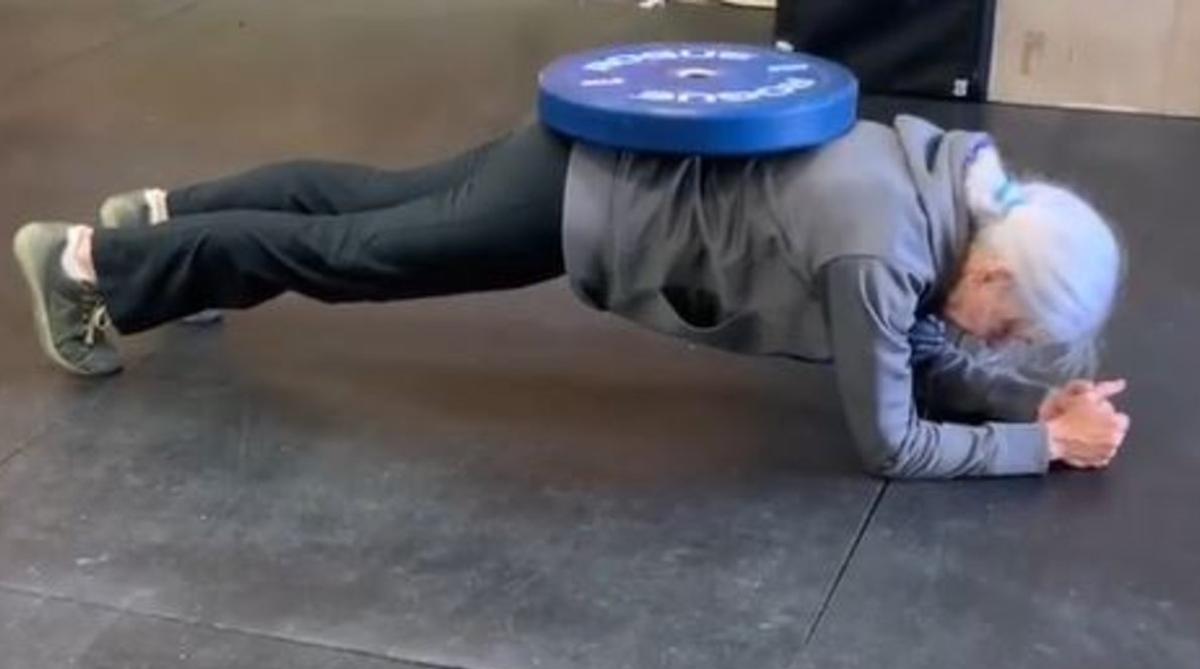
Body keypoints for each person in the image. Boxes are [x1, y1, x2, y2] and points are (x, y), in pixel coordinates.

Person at [10, 115, 1130, 480]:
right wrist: (1044, 445)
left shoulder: (949, 179)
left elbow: (932, 346)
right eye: (1019, 327)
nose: (1006, 343)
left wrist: (1026, 405)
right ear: (992, 271)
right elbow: (891, 431)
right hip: (574, 209)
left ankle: (156, 216)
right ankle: (88, 269)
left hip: (580, 153)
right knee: (349, 253)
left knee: (363, 203)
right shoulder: (882, 253)